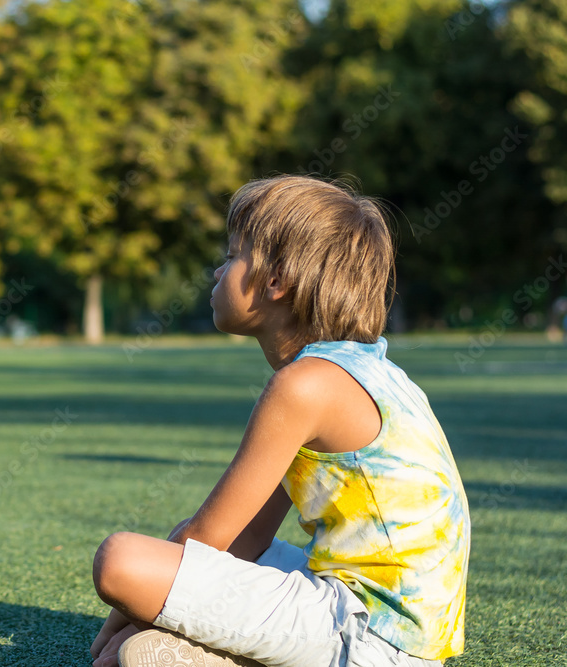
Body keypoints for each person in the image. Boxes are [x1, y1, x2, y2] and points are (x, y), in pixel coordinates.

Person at [90, 175, 470, 667]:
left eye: (231, 256)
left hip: (373, 638)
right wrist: (146, 622)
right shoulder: (367, 371)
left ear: (276, 281)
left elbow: (207, 539)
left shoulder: (304, 385)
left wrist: (127, 612)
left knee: (120, 559)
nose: (217, 271)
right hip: (379, 625)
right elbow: (247, 536)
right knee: (143, 652)